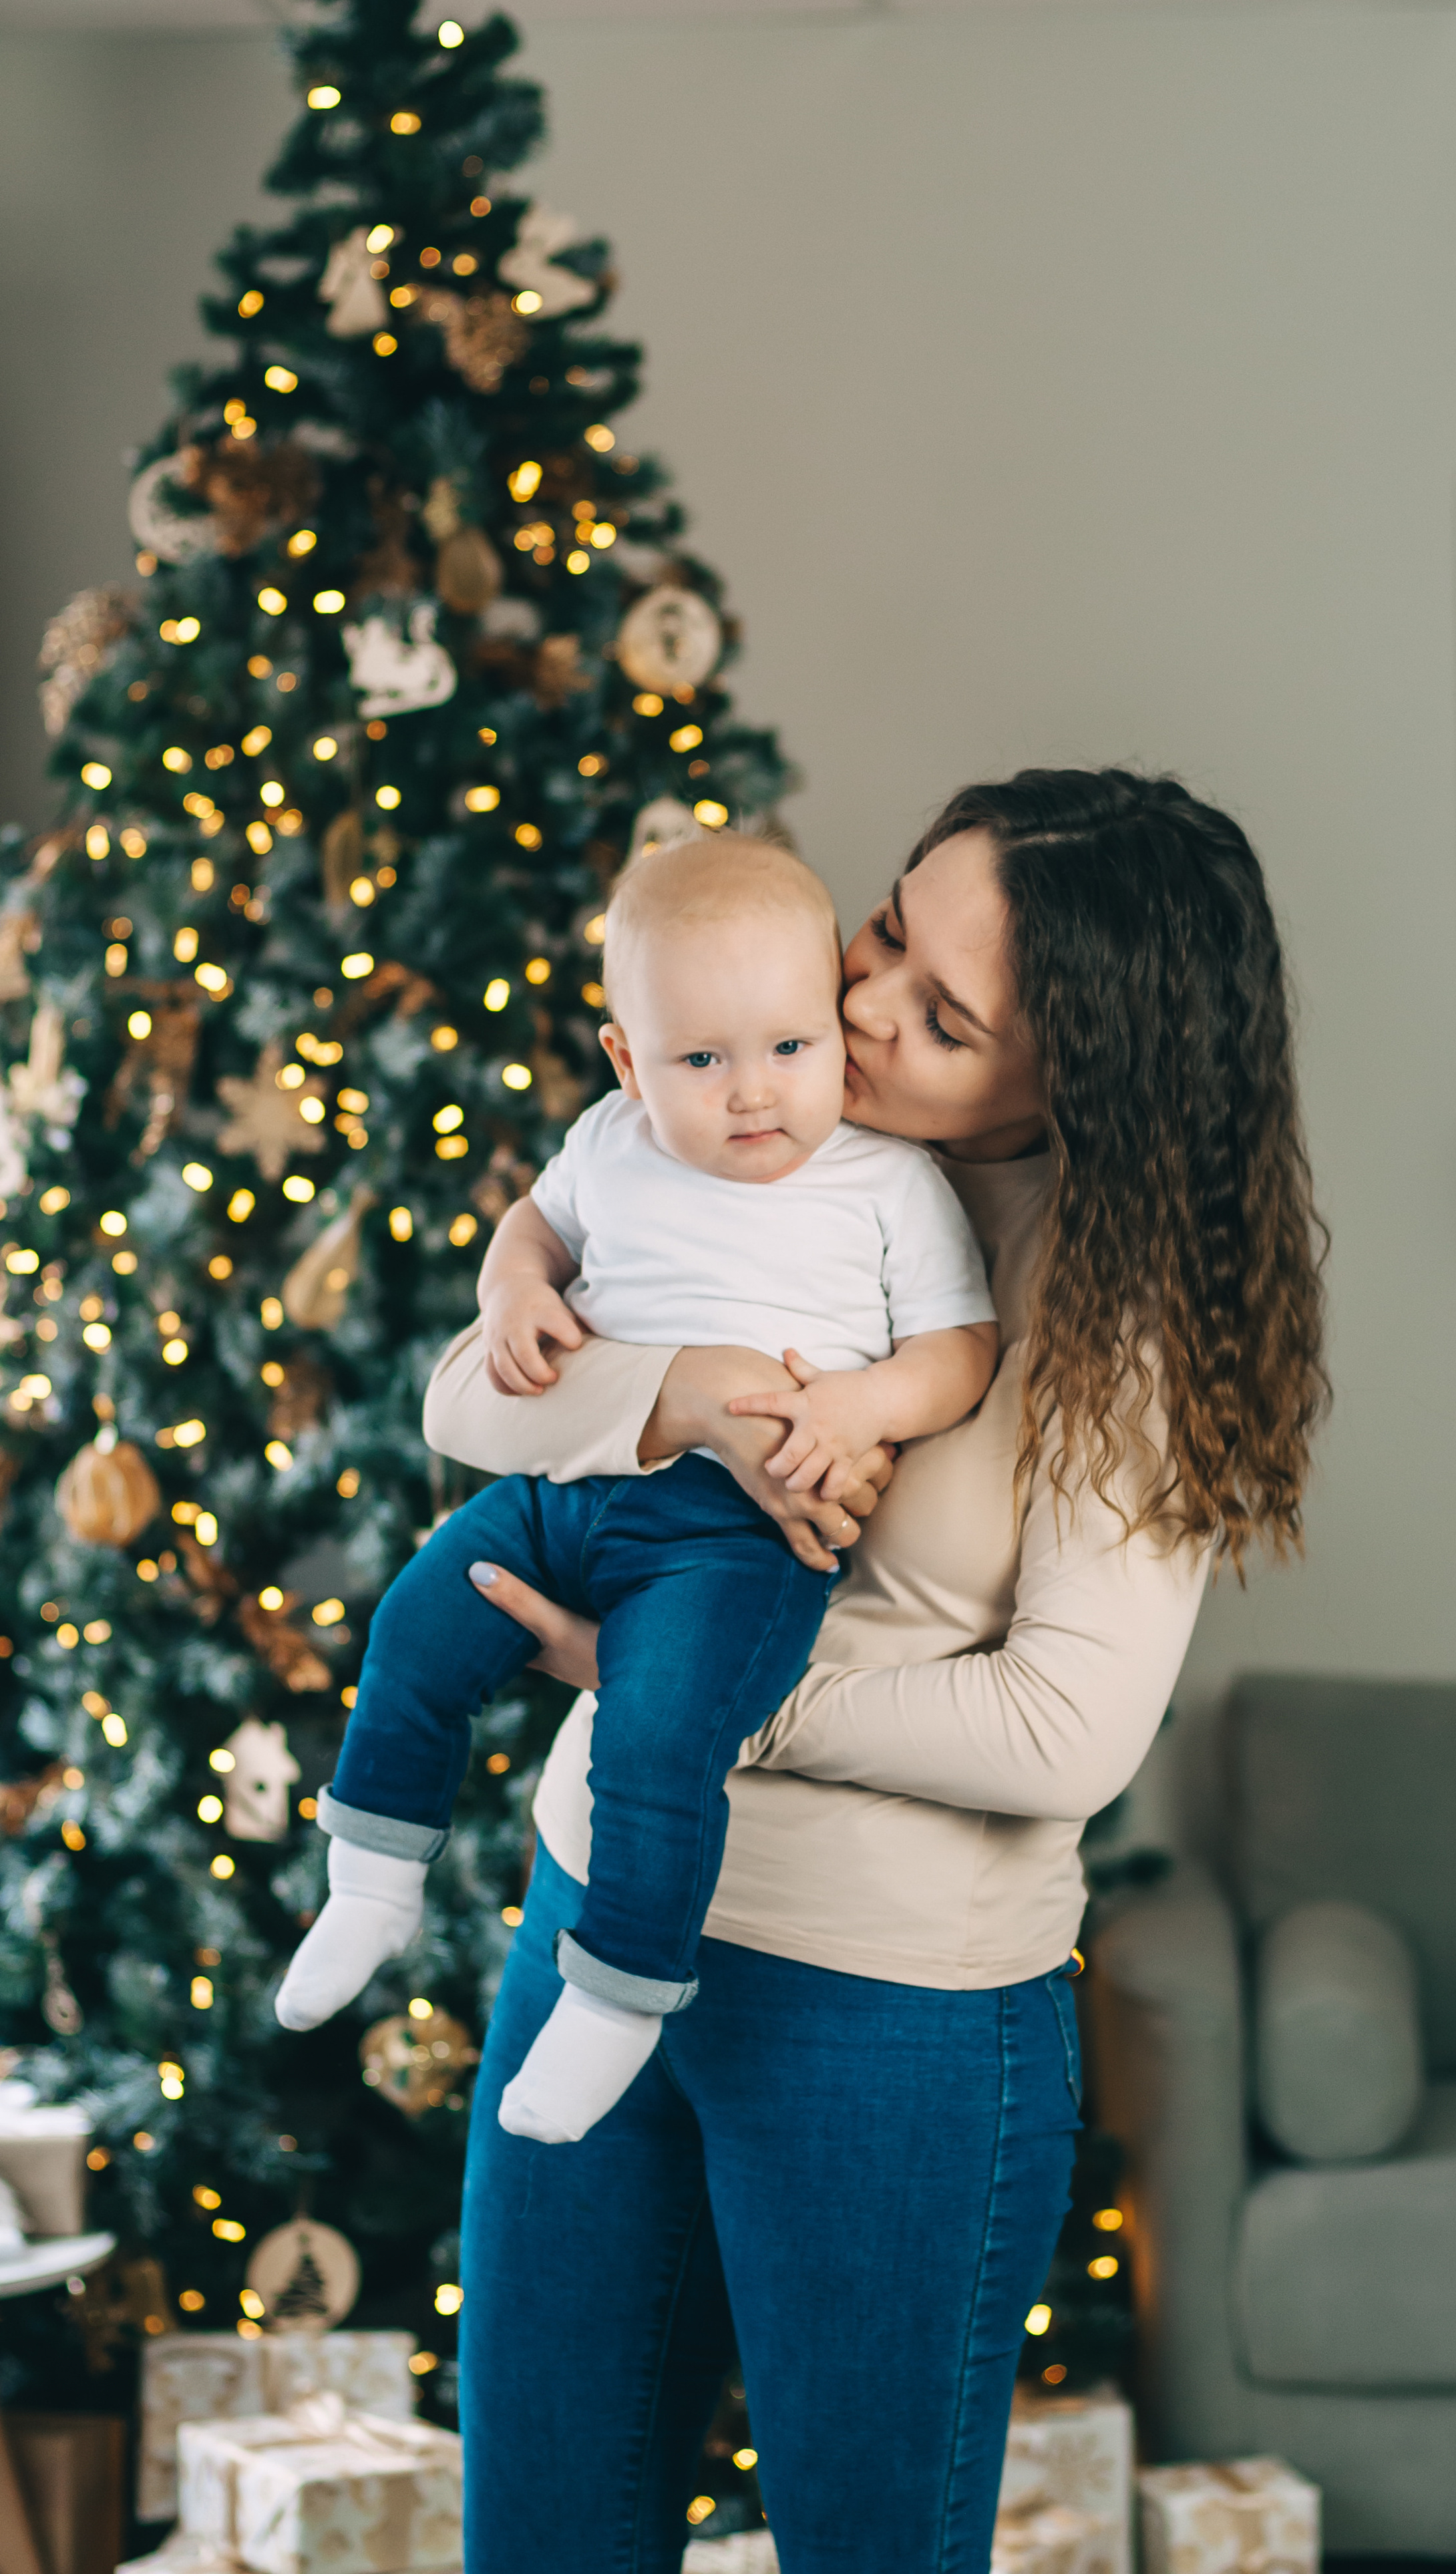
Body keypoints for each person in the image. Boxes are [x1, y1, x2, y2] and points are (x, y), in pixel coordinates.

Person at [421, 769, 1329, 2573]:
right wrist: (673, 1392)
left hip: (888, 2013)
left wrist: (703, 1693)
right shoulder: (750, 1133)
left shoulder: (1122, 1308)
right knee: (539, 2536)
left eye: (943, 1013)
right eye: (892, 928)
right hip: (600, 1911)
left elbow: (1063, 1724)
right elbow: (470, 1398)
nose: (851, 1008)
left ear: (1078, 1073)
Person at [272, 838, 997, 2144]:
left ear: (831, 1036)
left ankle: (616, 1994)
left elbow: (957, 1351)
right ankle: (372, 1878)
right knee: (416, 1628)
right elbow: (533, 1231)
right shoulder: (609, 1141)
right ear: (627, 1062)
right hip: (569, 1485)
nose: (751, 1094)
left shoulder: (888, 1182)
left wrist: (859, 1406)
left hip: (730, 1540)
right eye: (700, 1061)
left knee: (655, 1739)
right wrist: (513, 1288)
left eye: (789, 1047)